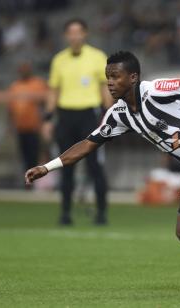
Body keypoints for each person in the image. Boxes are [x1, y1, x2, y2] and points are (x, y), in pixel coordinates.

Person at [26, 50, 180, 271]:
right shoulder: (118, 114)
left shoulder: (156, 90)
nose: (110, 83)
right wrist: (47, 167)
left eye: (116, 76)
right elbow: (87, 145)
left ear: (133, 77)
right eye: (108, 78)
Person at [42, 19, 112, 226]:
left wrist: (109, 115)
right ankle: (65, 213)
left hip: (89, 116)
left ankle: (101, 213)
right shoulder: (59, 60)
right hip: (65, 117)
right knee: (65, 165)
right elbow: (54, 90)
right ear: (66, 36)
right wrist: (47, 118)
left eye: (78, 32)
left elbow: (105, 88)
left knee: (95, 166)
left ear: (85, 34)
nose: (75, 36)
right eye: (71, 32)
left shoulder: (97, 57)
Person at [8, 62, 47, 174]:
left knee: (35, 154)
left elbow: (45, 102)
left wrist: (45, 121)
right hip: (21, 127)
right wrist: (10, 124)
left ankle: (37, 178)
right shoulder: (15, 86)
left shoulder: (38, 84)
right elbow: (10, 107)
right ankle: (28, 178)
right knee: (24, 155)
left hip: (35, 126)